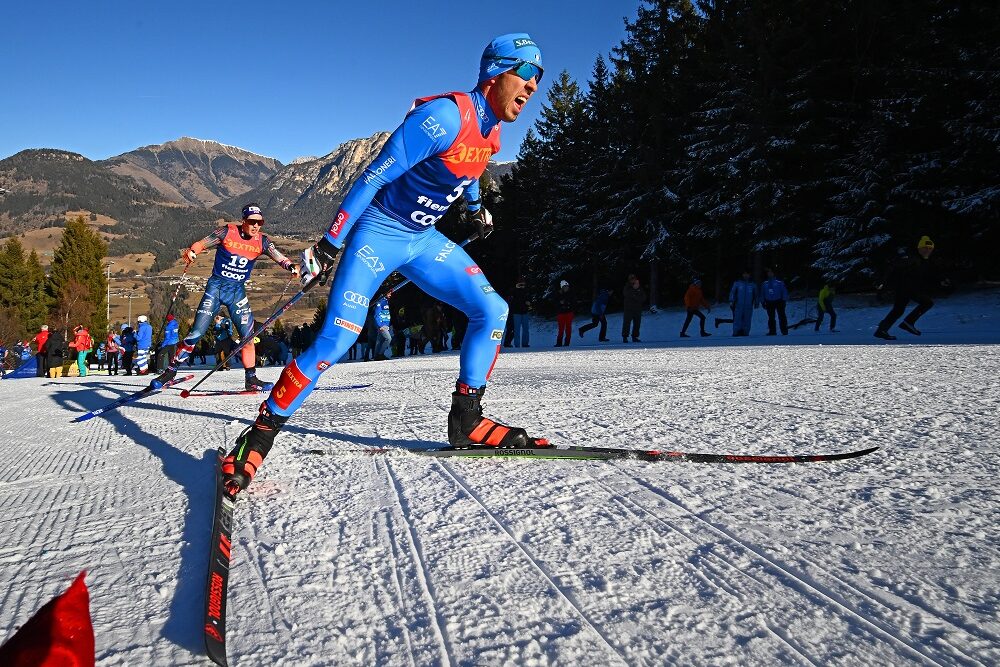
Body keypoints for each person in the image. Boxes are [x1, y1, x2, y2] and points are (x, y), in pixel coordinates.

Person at [221, 33, 548, 496]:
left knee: (493, 310)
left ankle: (467, 420)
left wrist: (475, 209)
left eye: (540, 78)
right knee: (338, 337)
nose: (534, 86)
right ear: (496, 73)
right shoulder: (444, 116)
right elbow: (373, 174)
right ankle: (257, 436)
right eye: (527, 73)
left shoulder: (493, 129)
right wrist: (331, 242)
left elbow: (473, 170)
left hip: (421, 240)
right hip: (378, 235)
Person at [150, 204, 299, 390]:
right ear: (243, 221)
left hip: (237, 292)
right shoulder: (226, 232)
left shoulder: (262, 241)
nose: (256, 226)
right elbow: (202, 243)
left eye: (259, 222)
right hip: (216, 289)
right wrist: (193, 251)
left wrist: (291, 267)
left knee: (248, 337)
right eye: (252, 222)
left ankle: (251, 379)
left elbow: (279, 257)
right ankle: (170, 372)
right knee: (196, 333)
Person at [875, 236, 947, 339]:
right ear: (919, 248)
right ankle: (908, 322)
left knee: (898, 310)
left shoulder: (923, 260)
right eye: (925, 248)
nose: (927, 250)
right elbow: (891, 266)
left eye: (930, 249)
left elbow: (930, 274)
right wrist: (881, 281)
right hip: (906, 287)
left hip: (904, 287)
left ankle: (882, 330)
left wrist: (941, 281)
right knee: (927, 303)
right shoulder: (911, 258)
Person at [728, 270, 757, 336]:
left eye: (747, 274)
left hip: (748, 305)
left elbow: (756, 294)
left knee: (747, 319)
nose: (746, 275)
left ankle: (745, 332)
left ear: (749, 275)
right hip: (738, 304)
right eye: (744, 274)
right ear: (742, 275)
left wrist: (756, 302)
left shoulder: (752, 284)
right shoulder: (737, 283)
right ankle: (736, 331)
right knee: (737, 318)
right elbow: (732, 292)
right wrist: (731, 301)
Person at [761, 268, 790, 336]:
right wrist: (762, 302)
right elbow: (762, 293)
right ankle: (772, 331)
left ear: (774, 273)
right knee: (771, 317)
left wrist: (784, 300)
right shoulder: (765, 284)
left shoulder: (779, 283)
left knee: (782, 316)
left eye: (771, 272)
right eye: (768, 272)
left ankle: (784, 330)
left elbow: (784, 292)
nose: (770, 274)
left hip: (779, 301)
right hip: (769, 302)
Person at [622, 274, 646, 343]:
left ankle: (635, 337)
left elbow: (643, 297)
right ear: (629, 280)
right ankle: (625, 337)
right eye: (631, 278)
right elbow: (627, 294)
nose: (633, 279)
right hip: (628, 309)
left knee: (637, 323)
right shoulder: (627, 287)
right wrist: (636, 293)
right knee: (626, 323)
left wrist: (637, 296)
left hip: (638, 309)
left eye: (634, 278)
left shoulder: (639, 287)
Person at [507, 276, 530, 347]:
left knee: (526, 329)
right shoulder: (514, 290)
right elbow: (510, 297)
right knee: (516, 330)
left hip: (525, 312)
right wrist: (516, 288)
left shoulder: (527, 290)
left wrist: (529, 303)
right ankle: (517, 345)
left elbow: (530, 298)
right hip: (516, 312)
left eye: (523, 283)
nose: (522, 285)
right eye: (520, 283)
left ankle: (525, 344)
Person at [554, 280, 574, 347]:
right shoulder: (558, 294)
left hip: (569, 313)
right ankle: (559, 343)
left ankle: (567, 343)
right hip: (561, 313)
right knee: (561, 329)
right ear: (562, 287)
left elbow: (573, 302)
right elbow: (555, 303)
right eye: (565, 286)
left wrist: (567, 304)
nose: (566, 288)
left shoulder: (571, 293)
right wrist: (560, 303)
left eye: (567, 286)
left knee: (568, 328)